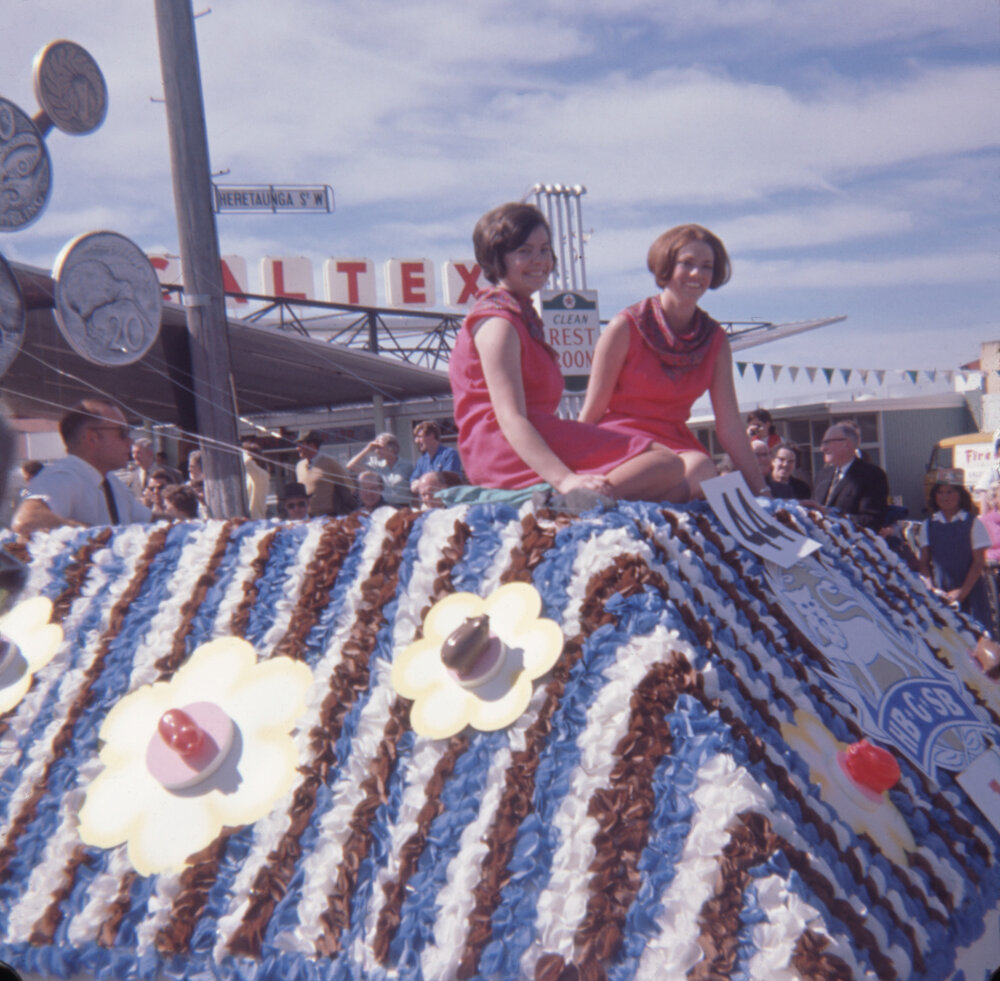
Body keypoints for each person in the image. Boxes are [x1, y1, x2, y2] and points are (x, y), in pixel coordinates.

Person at [448, 202, 683, 501]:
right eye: (524, 251)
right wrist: (566, 479)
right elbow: (510, 417)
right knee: (665, 463)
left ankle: (579, 501)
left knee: (673, 486)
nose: (539, 260)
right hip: (505, 450)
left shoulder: (518, 315)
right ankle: (567, 504)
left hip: (524, 441)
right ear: (497, 258)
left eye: (544, 250)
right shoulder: (498, 323)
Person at [578, 223, 767, 499]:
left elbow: (729, 427)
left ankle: (617, 503)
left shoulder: (714, 340)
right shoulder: (625, 326)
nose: (697, 274)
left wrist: (764, 492)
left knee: (703, 468)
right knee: (672, 468)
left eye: (706, 266)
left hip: (676, 447)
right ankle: (584, 500)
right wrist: (570, 469)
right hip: (621, 442)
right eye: (687, 263)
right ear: (665, 265)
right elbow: (591, 411)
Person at [12, 398, 150, 535]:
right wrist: (96, 535)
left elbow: (150, 519)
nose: (130, 441)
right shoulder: (62, 477)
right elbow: (27, 521)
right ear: (92, 438)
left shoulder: (112, 482)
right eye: (122, 433)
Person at [918, 472, 992, 628]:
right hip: (941, 594)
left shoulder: (972, 523)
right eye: (940, 492)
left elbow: (978, 563)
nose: (944, 497)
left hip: (971, 593)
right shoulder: (928, 525)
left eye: (950, 492)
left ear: (960, 495)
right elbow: (923, 562)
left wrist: (961, 593)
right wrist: (930, 589)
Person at [812, 422, 889, 531]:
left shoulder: (872, 475)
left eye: (827, 442)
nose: (822, 448)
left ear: (847, 444)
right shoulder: (822, 476)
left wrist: (832, 518)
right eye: (822, 443)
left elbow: (871, 520)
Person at [295, 430, 356, 518]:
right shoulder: (299, 466)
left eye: (300, 444)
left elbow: (349, 487)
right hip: (307, 518)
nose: (297, 448)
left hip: (329, 517)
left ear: (312, 445)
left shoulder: (329, 463)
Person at [347, 432, 412, 506]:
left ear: (391, 448)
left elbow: (413, 491)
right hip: (382, 506)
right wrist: (367, 449)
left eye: (380, 448)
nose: (376, 451)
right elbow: (351, 465)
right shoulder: (376, 466)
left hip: (403, 507)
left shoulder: (407, 466)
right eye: (375, 448)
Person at [408, 421, 464, 494]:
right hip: (427, 500)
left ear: (431, 436)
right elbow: (413, 484)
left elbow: (447, 482)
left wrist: (422, 483)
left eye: (419, 437)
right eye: (416, 438)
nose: (416, 441)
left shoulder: (449, 454)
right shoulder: (421, 461)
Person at [242, 437, 270, 520]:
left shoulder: (261, 474)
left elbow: (248, 463)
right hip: (249, 520)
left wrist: (243, 453)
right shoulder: (250, 476)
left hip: (256, 520)